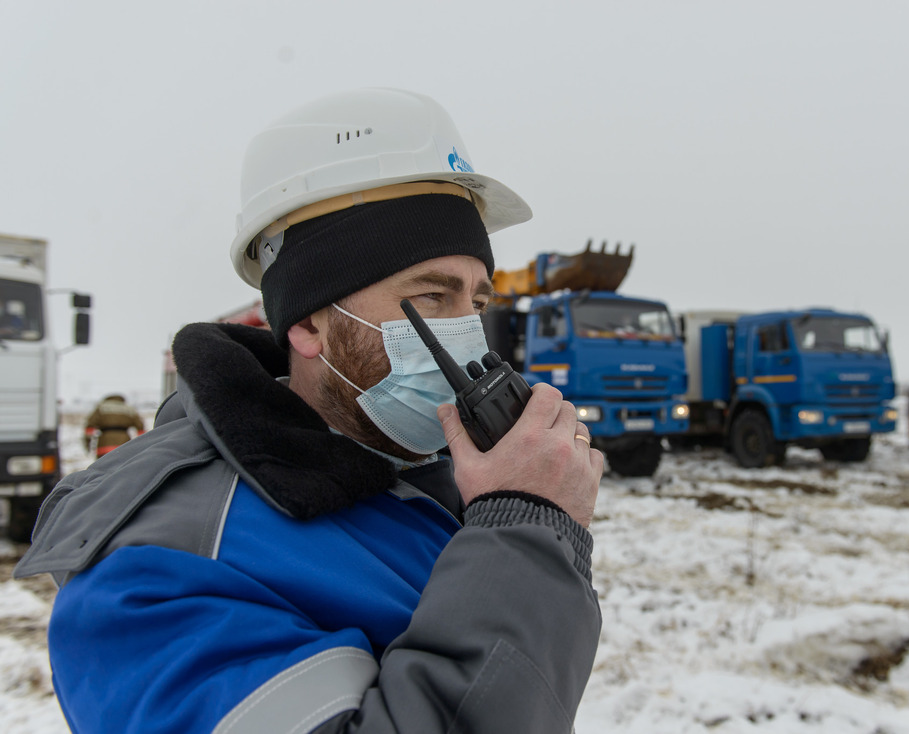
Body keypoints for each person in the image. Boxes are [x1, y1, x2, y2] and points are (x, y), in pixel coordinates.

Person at [16, 88, 603, 733]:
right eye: (433, 296)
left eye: (478, 303)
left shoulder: (426, 491)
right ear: (308, 324)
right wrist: (526, 532)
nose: (468, 335)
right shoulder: (155, 570)